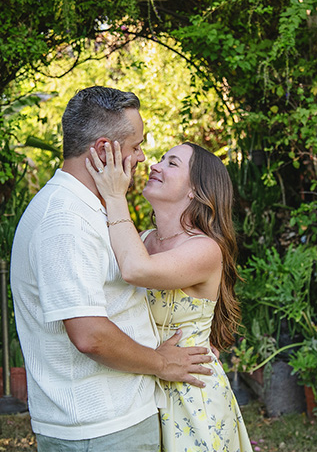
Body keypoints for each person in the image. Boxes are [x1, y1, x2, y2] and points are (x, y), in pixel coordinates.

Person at [10, 86, 215, 451]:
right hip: (100, 426)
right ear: (105, 150)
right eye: (136, 147)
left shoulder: (89, 209)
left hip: (117, 418)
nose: (142, 158)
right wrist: (161, 363)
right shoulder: (66, 219)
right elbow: (90, 335)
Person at [86, 140, 252, 451]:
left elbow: (136, 270)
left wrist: (115, 196)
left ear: (195, 190)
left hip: (192, 394)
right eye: (161, 159)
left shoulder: (205, 249)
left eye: (172, 163)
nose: (155, 166)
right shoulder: (142, 240)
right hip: (143, 386)